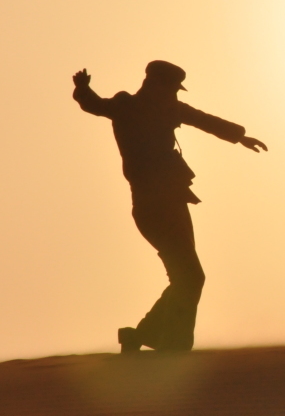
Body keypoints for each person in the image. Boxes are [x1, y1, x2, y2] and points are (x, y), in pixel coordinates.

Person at [72, 60, 267, 352]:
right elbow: (97, 106)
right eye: (172, 88)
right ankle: (164, 341)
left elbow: (204, 120)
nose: (176, 95)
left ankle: (146, 337)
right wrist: (83, 91)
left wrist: (240, 137)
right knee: (190, 276)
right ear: (155, 84)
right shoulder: (127, 105)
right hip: (152, 205)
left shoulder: (170, 108)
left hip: (173, 200)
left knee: (187, 276)